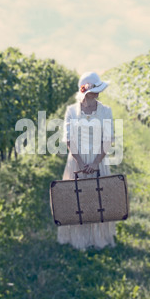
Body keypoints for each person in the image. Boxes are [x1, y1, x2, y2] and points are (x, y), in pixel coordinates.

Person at [57, 71, 117, 250]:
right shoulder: (71, 111)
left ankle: (97, 237)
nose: (99, 92)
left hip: (98, 158)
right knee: (78, 198)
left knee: (98, 198)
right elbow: (69, 139)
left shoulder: (105, 111)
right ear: (87, 91)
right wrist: (82, 163)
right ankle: (79, 238)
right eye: (96, 88)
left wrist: (96, 162)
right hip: (77, 159)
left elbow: (107, 139)